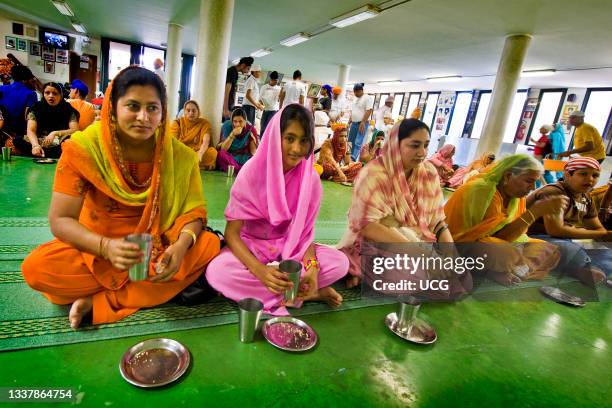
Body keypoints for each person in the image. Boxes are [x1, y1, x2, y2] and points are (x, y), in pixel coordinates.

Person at [21, 66, 221, 328]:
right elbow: (61, 220)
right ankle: (137, 293)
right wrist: (106, 247)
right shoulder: (85, 149)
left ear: (163, 112)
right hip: (97, 249)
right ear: (113, 107)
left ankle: (100, 301)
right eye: (133, 106)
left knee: (207, 245)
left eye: (153, 108)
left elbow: (194, 213)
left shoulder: (180, 156)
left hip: (156, 246)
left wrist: (180, 246)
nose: (143, 117)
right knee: (37, 269)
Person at [206, 104, 348, 315]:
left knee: (339, 263)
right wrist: (261, 271)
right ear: (275, 137)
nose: (297, 149)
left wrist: (312, 267)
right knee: (218, 273)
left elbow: (304, 236)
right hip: (250, 245)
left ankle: (295, 288)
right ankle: (306, 294)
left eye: (303, 140)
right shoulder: (251, 173)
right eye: (289, 138)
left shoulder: (310, 180)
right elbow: (232, 234)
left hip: (290, 248)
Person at [337, 119, 471, 295]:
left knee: (462, 277)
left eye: (426, 145)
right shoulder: (374, 173)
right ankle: (360, 266)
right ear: (395, 144)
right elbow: (367, 226)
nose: (422, 152)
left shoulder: (429, 173)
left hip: (416, 241)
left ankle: (366, 274)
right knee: (412, 279)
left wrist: (450, 254)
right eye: (415, 145)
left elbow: (438, 222)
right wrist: (424, 256)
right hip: (377, 242)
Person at [444, 154, 568, 286]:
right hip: (459, 245)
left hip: (499, 243)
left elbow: (516, 234)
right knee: (505, 253)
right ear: (508, 176)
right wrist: (534, 212)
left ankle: (506, 268)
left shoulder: (516, 196)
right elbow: (482, 237)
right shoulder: (481, 190)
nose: (532, 187)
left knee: (548, 250)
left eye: (535, 182)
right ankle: (499, 269)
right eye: (529, 181)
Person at [527, 157, 609, 240]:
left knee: (603, 252)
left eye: (595, 175)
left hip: (560, 238)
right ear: (567, 175)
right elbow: (555, 230)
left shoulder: (586, 197)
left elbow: (597, 228)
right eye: (583, 174)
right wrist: (601, 235)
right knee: (575, 250)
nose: (590, 179)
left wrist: (603, 234)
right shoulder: (554, 192)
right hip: (534, 236)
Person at [20, 82, 79, 158]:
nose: (50, 96)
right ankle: (39, 151)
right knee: (18, 140)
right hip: (39, 140)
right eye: (47, 93)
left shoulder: (68, 109)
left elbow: (75, 130)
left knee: (72, 142)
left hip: (59, 141)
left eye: (55, 93)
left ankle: (43, 154)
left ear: (61, 95)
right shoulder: (36, 108)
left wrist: (54, 133)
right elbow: (31, 130)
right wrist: (35, 146)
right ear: (43, 94)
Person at [169, 100, 217, 170]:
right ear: (184, 112)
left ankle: (187, 164)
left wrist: (200, 153)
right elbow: (172, 142)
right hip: (182, 151)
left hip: (197, 152)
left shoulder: (204, 123)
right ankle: (196, 165)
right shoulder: (177, 123)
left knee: (212, 152)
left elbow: (206, 142)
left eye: (194, 111)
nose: (191, 113)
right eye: (188, 110)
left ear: (198, 112)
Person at [216, 107, 258, 173]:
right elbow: (223, 149)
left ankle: (238, 169)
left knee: (256, 160)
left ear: (245, 121)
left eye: (240, 121)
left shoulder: (250, 129)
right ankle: (242, 171)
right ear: (232, 121)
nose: (237, 124)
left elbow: (253, 153)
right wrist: (232, 134)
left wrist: (251, 140)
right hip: (231, 157)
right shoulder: (227, 126)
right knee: (221, 155)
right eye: (235, 121)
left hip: (244, 158)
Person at [0, 65, 37, 137]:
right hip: (18, 131)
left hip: (2, 128)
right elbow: (30, 116)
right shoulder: (31, 94)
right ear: (27, 78)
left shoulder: (1, 88)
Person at [347, 83, 373, 161]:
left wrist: (363, 122)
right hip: (354, 123)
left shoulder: (367, 98)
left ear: (362, 90)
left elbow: (369, 110)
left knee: (357, 142)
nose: (355, 93)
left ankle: (353, 159)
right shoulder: (355, 99)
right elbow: (354, 111)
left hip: (362, 123)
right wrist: (350, 120)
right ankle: (347, 157)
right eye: (354, 92)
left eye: (357, 92)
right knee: (350, 141)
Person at [259, 71, 281, 135]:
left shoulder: (279, 88)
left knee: (270, 127)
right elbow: (260, 99)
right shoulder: (264, 87)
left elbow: (279, 100)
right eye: (274, 80)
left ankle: (267, 142)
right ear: (271, 79)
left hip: (274, 111)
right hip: (265, 110)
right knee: (263, 127)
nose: (276, 82)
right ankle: (261, 141)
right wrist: (260, 106)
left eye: (277, 80)